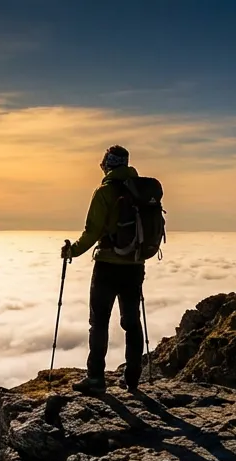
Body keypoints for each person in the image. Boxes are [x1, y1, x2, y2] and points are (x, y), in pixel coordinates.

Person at [64, 145, 147, 394]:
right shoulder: (141, 191)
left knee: (99, 322)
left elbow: (93, 231)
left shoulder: (104, 192)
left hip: (107, 266)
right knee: (132, 322)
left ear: (107, 164)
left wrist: (72, 251)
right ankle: (132, 378)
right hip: (134, 265)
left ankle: (95, 379)